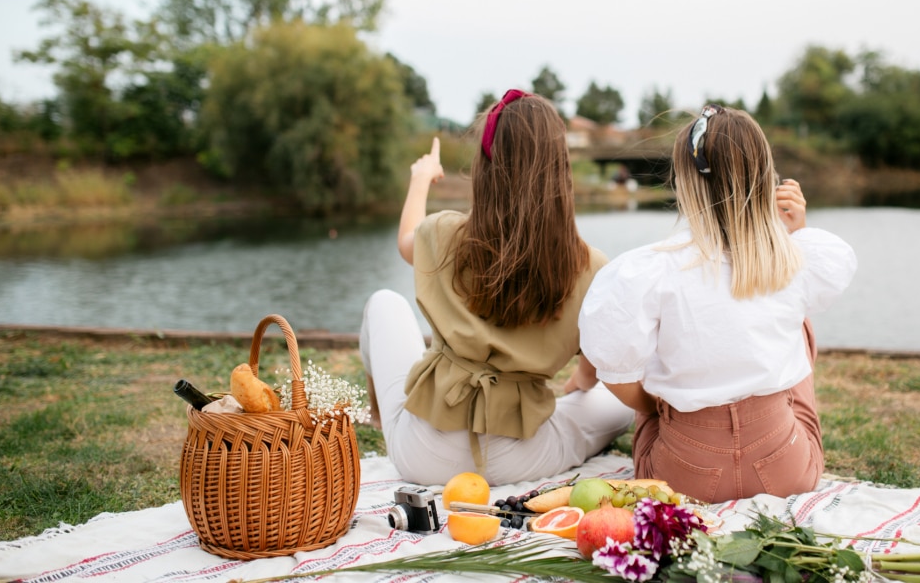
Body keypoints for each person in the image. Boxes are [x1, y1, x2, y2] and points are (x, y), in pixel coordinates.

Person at [578, 106, 857, 503]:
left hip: (680, 477)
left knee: (648, 362)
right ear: (765, 177)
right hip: (784, 468)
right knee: (800, 322)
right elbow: (810, 281)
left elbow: (617, 376)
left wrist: (661, 406)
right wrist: (797, 232)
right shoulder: (795, 260)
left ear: (684, 181)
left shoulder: (647, 271)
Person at [359, 89, 634, 486]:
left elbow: (406, 241)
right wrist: (576, 388)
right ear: (561, 169)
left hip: (422, 456)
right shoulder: (590, 267)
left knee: (383, 303)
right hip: (522, 457)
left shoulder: (445, 233)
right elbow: (591, 374)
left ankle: (383, 419)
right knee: (616, 405)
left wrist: (421, 179)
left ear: (486, 166)